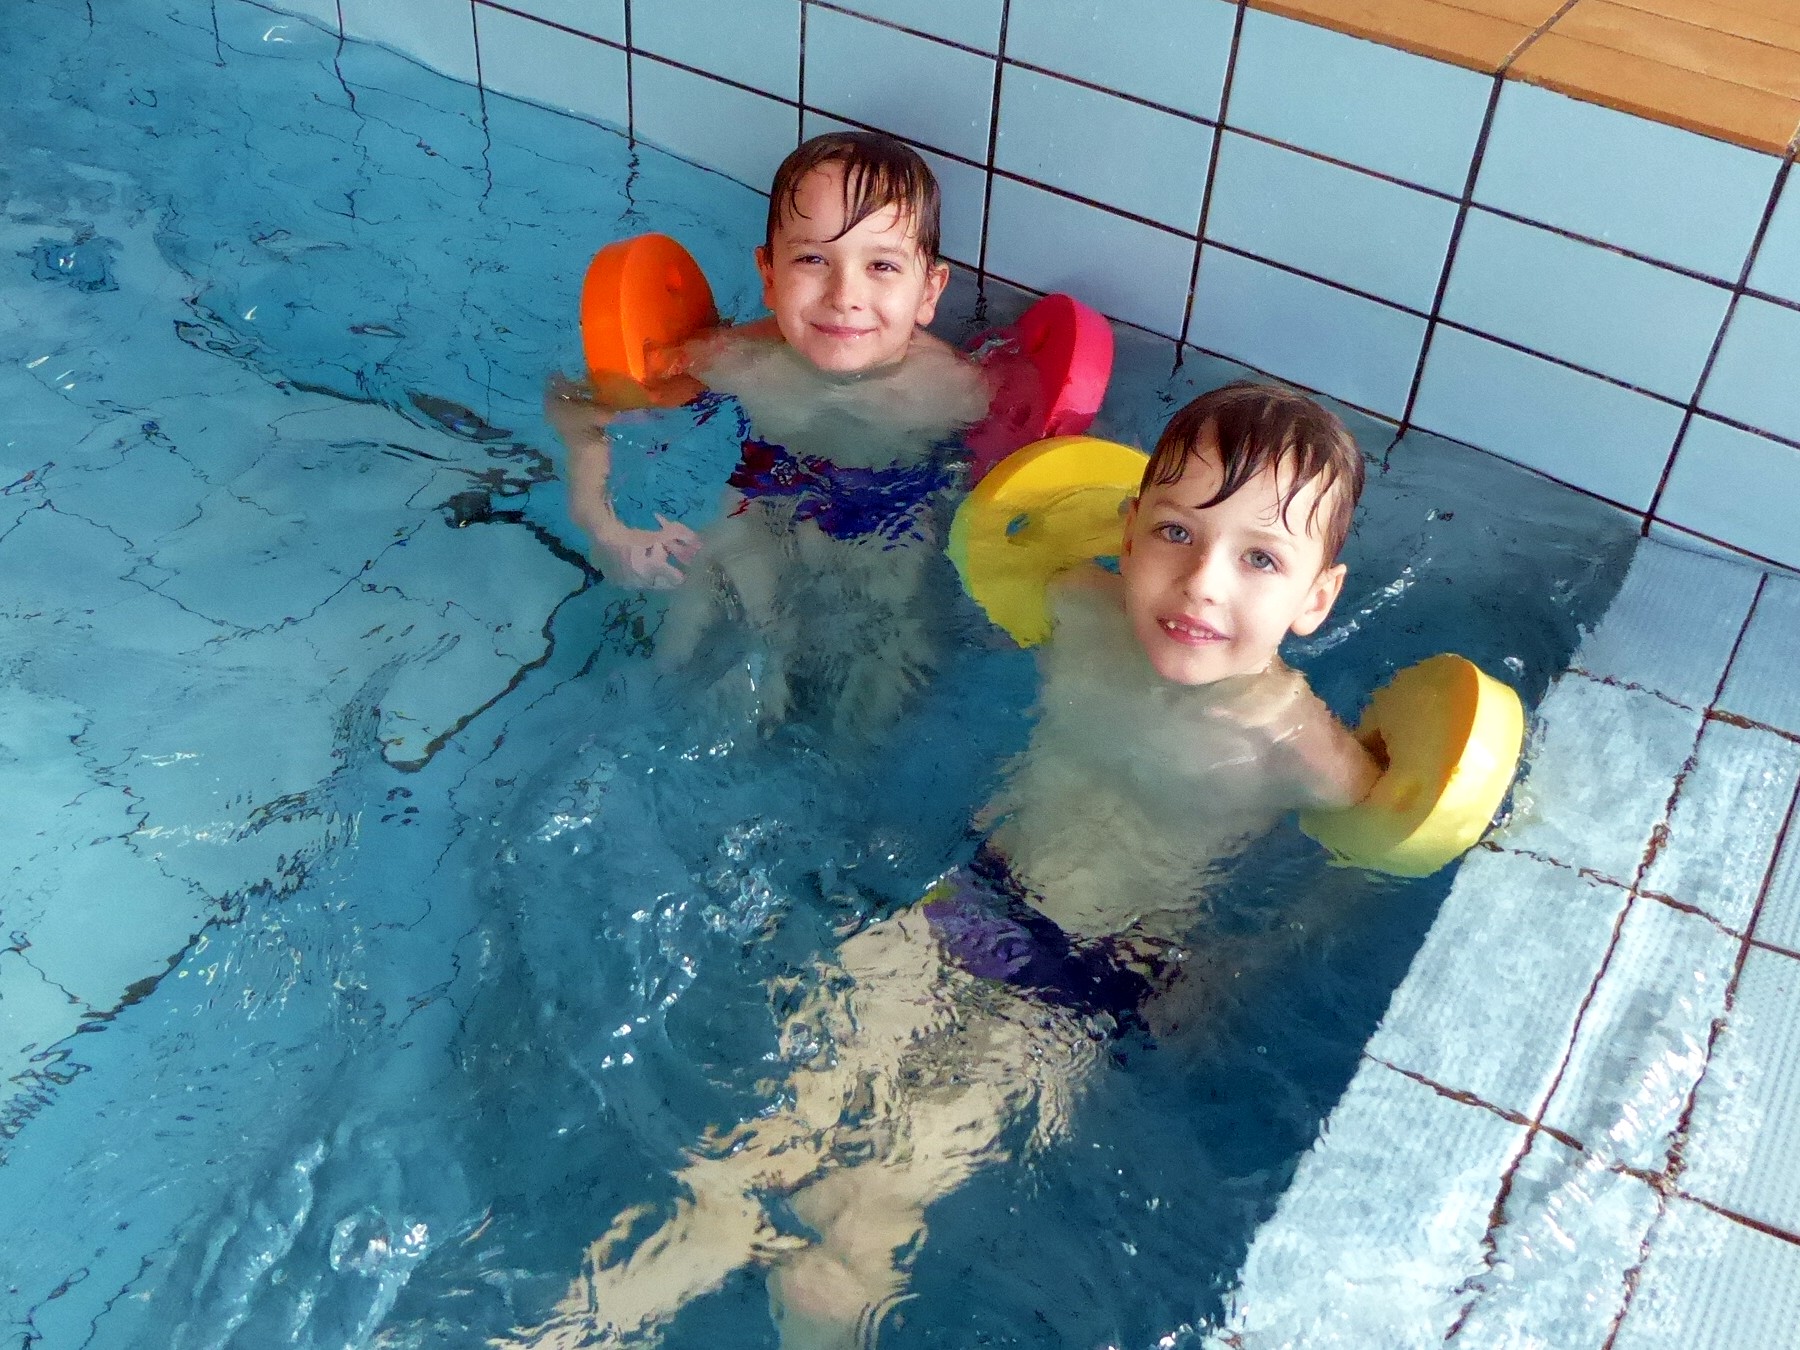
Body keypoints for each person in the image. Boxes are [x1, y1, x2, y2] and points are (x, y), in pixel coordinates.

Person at [512, 382, 1385, 1347]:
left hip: (1079, 994)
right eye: (1177, 533)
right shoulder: (1079, 610)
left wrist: (1238, 967)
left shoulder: (1306, 752)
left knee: (854, 1229)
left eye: (1260, 558)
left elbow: (1356, 869)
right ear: (1129, 531)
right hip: (961, 912)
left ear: (1317, 597)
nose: (1203, 584)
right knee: (742, 1158)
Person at [546, 131, 991, 739]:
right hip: (759, 514)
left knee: (867, 721)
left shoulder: (952, 391)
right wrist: (604, 528)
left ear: (929, 291)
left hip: (894, 539)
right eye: (813, 260)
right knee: (675, 671)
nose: (844, 297)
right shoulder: (741, 360)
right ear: (769, 274)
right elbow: (578, 407)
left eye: (882, 266)